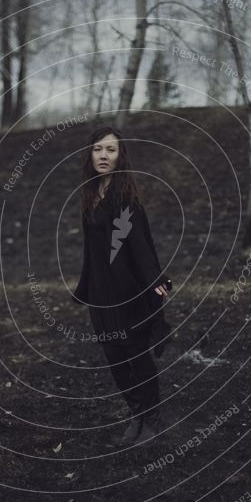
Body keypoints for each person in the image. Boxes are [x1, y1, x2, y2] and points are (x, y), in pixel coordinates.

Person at [71, 126, 174, 445]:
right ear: (90, 154)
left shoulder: (125, 196)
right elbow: (92, 249)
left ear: (121, 156)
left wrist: (155, 279)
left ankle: (152, 420)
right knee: (115, 360)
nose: (104, 155)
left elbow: (141, 244)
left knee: (137, 358)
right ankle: (137, 413)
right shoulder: (90, 194)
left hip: (128, 291)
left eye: (111, 150)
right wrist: (86, 287)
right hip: (101, 293)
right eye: (98, 149)